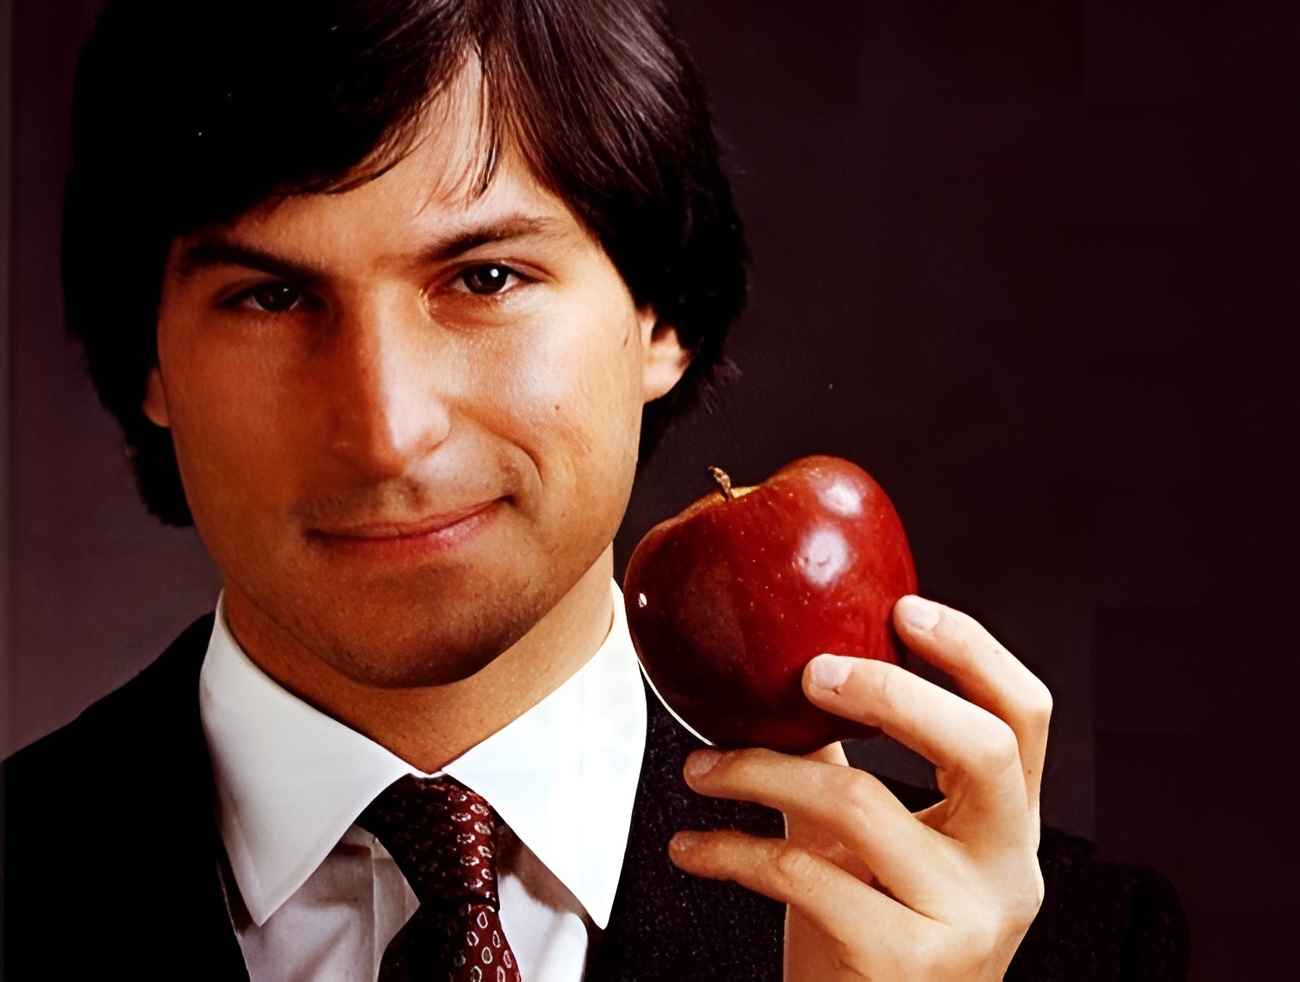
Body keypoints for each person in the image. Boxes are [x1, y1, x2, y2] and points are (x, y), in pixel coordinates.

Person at [2, 1, 1187, 979]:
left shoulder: (1064, 949)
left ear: (659, 311)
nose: (386, 434)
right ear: (148, 358)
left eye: (485, 275)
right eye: (269, 297)